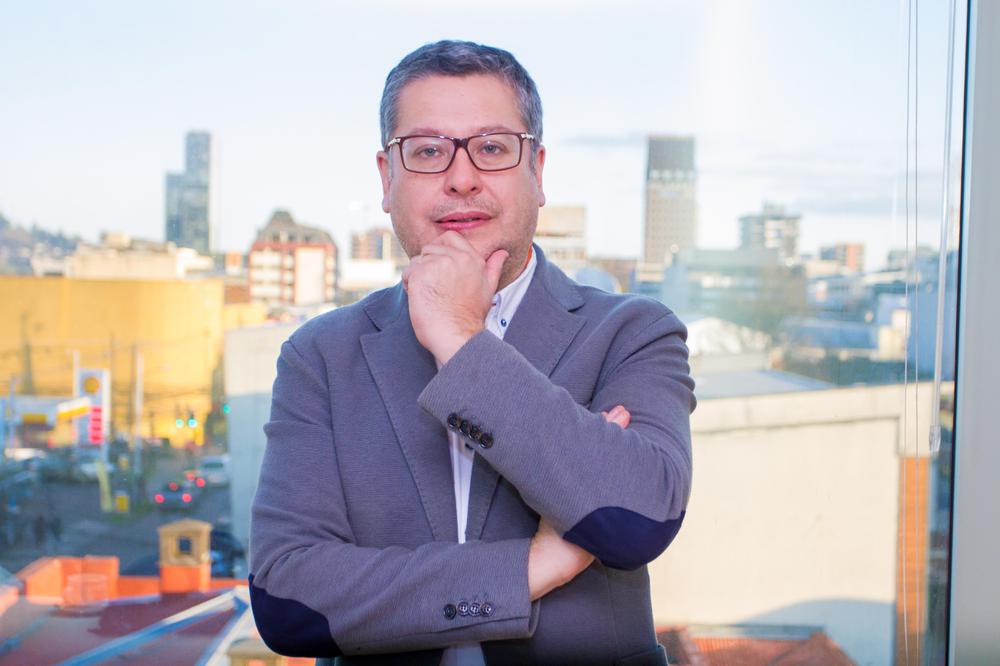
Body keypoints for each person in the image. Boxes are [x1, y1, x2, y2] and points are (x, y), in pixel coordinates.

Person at [249, 40, 696, 665]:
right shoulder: (320, 356)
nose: (461, 178)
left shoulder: (633, 332)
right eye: (428, 151)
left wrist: (459, 339)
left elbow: (637, 521)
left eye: (491, 148)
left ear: (537, 170)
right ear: (386, 179)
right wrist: (529, 569)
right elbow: (288, 602)